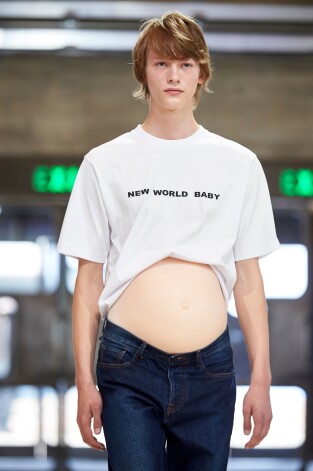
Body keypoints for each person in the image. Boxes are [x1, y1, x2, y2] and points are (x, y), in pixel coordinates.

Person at [57, 10, 281, 471]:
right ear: (144, 72)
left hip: (211, 367)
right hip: (128, 362)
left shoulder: (239, 165)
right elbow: (88, 280)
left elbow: (249, 281)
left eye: (185, 64)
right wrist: (83, 380)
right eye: (161, 64)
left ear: (202, 72)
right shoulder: (104, 163)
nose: (173, 76)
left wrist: (262, 376)